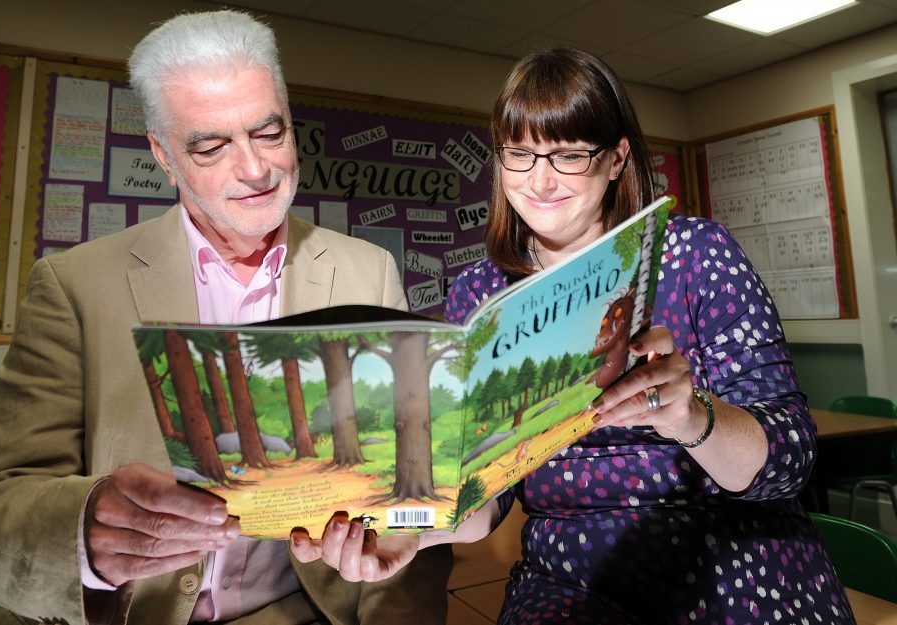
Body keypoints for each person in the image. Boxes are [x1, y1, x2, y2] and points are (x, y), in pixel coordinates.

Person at [290, 47, 856, 624]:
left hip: (731, 557)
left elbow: (792, 459)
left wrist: (693, 418)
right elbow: (488, 493)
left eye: (568, 156)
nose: (539, 180)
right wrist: (412, 535)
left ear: (616, 159)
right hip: (569, 574)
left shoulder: (696, 255)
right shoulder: (478, 292)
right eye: (520, 154)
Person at [0, 10, 451, 625]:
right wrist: (86, 531)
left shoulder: (367, 271)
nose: (255, 170)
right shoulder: (75, 287)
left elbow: (413, 499)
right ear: (163, 154)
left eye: (270, 134)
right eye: (211, 146)